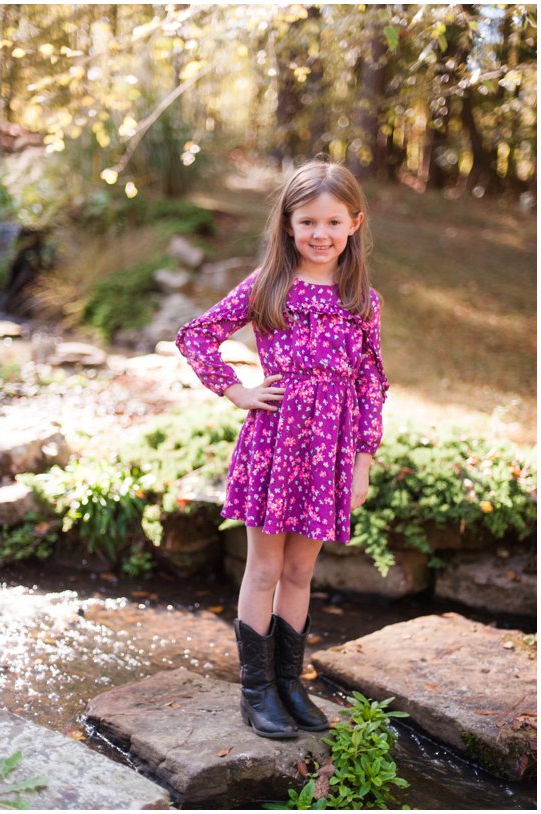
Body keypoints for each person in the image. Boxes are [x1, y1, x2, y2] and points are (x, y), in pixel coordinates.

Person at [175, 157, 388, 739]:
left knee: (300, 570)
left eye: (333, 222)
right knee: (265, 566)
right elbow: (195, 335)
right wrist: (237, 391)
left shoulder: (361, 300)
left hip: (331, 454)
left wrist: (363, 460)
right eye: (308, 222)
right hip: (275, 441)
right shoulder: (268, 285)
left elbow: (372, 383)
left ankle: (291, 683)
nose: (320, 235)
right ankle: (256, 689)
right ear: (288, 225)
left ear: (355, 224)